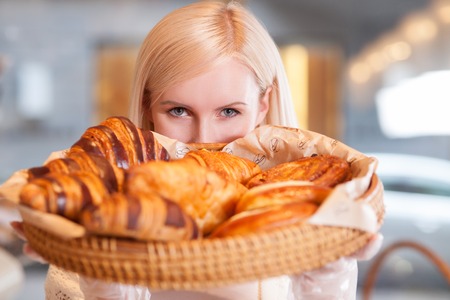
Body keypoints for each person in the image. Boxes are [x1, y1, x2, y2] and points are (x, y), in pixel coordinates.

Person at [12, 1, 383, 299]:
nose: (203, 136)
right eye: (178, 110)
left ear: (264, 103)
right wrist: (102, 276)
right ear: (146, 106)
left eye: (228, 111)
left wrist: (326, 269)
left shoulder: (303, 205)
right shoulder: (98, 208)